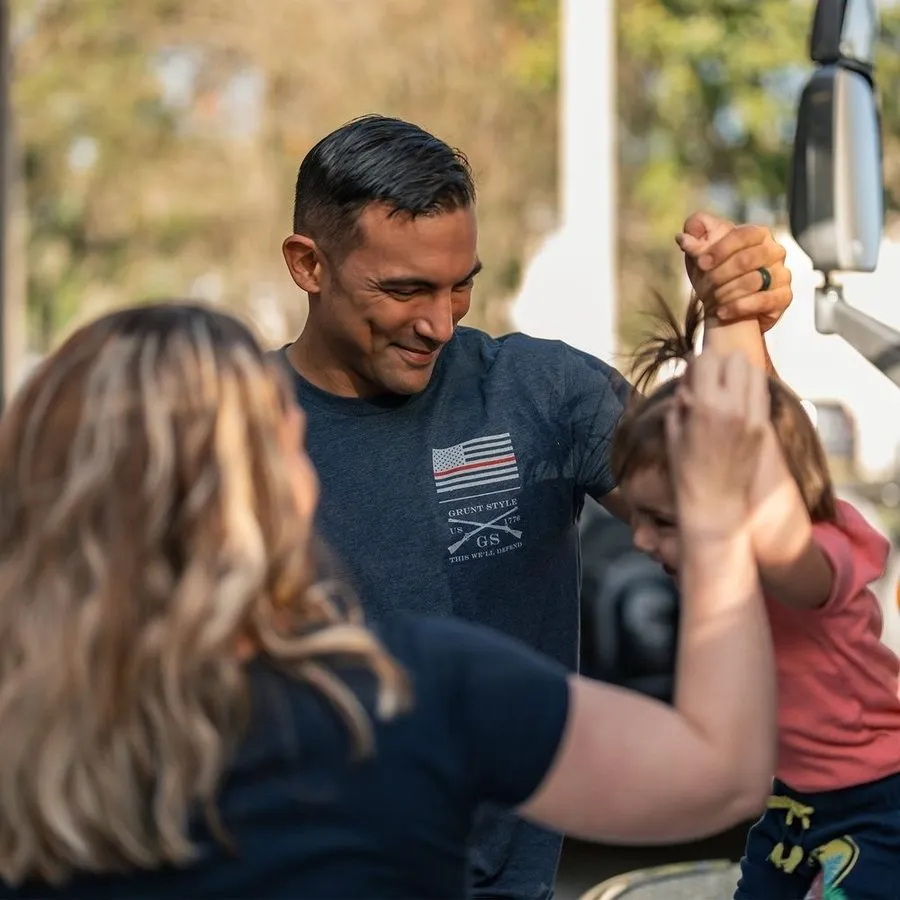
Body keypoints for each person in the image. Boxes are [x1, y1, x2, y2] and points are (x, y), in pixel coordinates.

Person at [0, 303, 775, 899]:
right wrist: (713, 516)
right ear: (272, 491)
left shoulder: (26, 746)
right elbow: (722, 771)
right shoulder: (405, 696)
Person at [279, 113, 794, 899]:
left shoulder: (540, 392)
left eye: (461, 285)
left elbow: (739, 512)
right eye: (405, 289)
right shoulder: (229, 433)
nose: (439, 323)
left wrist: (736, 329)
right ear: (308, 265)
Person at [612, 295, 900, 900]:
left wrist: (733, 433)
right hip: (791, 801)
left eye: (663, 521)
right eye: (638, 518)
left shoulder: (818, 555)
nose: (639, 540)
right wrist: (726, 305)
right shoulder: (728, 569)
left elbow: (781, 540)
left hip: (880, 801)